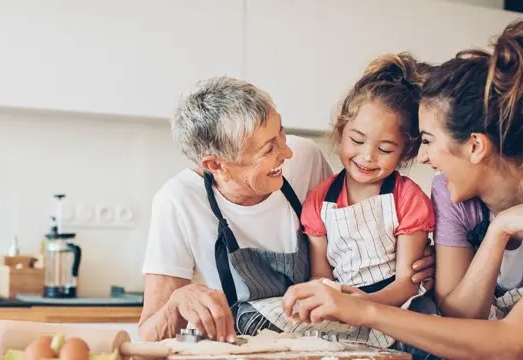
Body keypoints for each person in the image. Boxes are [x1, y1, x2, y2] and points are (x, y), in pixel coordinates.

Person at [282, 21, 523, 359]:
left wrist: (363, 310)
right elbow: (461, 318)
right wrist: (498, 233)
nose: (422, 157)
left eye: (427, 141)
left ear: (475, 147)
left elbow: (511, 342)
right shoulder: (451, 193)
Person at [137, 76, 436, 343]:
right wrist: (178, 301)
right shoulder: (177, 201)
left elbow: (352, 240)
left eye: (280, 133)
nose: (287, 151)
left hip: (319, 342)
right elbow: (148, 332)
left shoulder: (304, 159)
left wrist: (418, 259)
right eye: (269, 148)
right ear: (216, 165)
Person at [298, 53, 437, 350]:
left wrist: (366, 306)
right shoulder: (319, 201)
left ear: (406, 152)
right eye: (357, 140)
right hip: (342, 306)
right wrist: (335, 304)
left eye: (385, 148)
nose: (367, 156)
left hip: (397, 308)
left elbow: (407, 283)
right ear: (341, 131)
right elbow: (321, 277)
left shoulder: (409, 199)